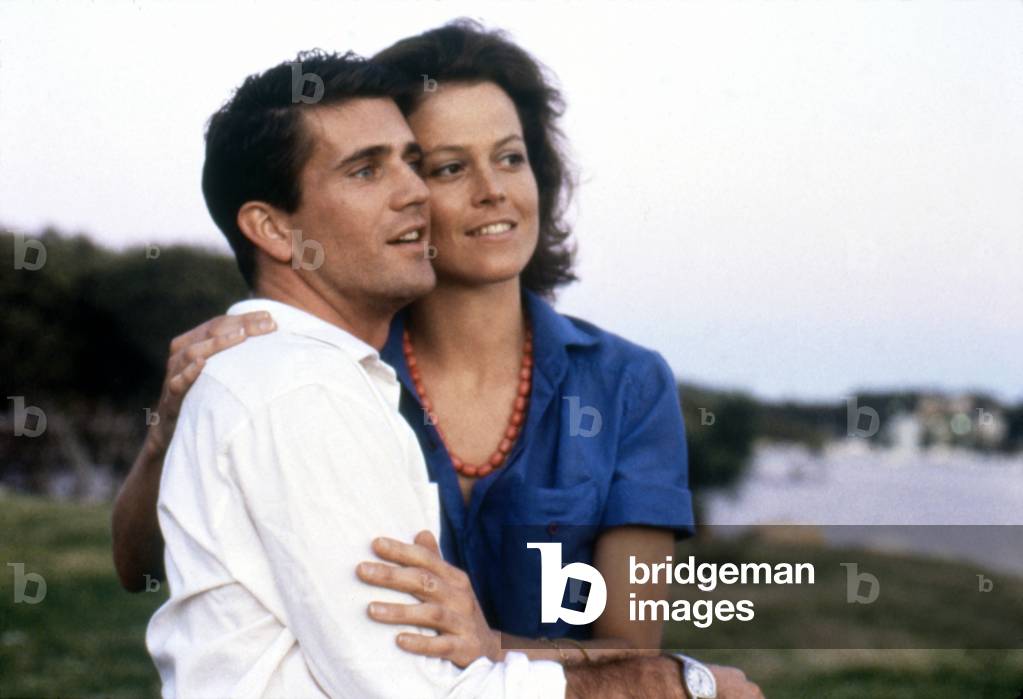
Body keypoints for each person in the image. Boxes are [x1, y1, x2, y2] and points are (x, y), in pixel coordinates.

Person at [118, 23, 764, 699]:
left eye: (511, 158)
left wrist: (493, 646)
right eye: (449, 167)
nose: (491, 190)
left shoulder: (625, 382)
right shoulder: (332, 368)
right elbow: (147, 569)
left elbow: (626, 645)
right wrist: (169, 437)